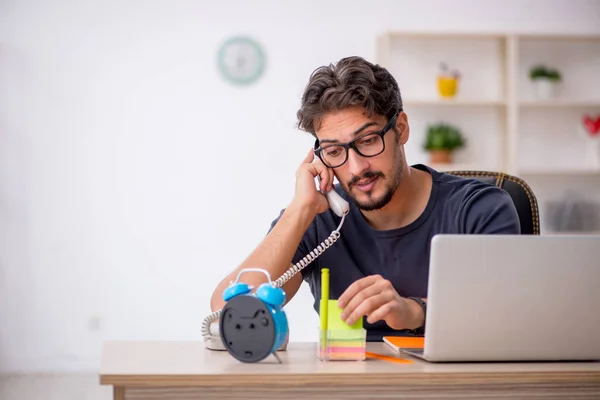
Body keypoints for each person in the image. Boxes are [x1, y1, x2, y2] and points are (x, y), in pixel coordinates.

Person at [210, 56, 520, 341]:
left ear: (400, 128)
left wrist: (414, 311)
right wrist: (300, 210)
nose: (357, 168)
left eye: (369, 141)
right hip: (350, 383)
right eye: (334, 151)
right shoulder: (319, 218)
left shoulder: (480, 208)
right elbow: (227, 312)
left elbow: (507, 316)